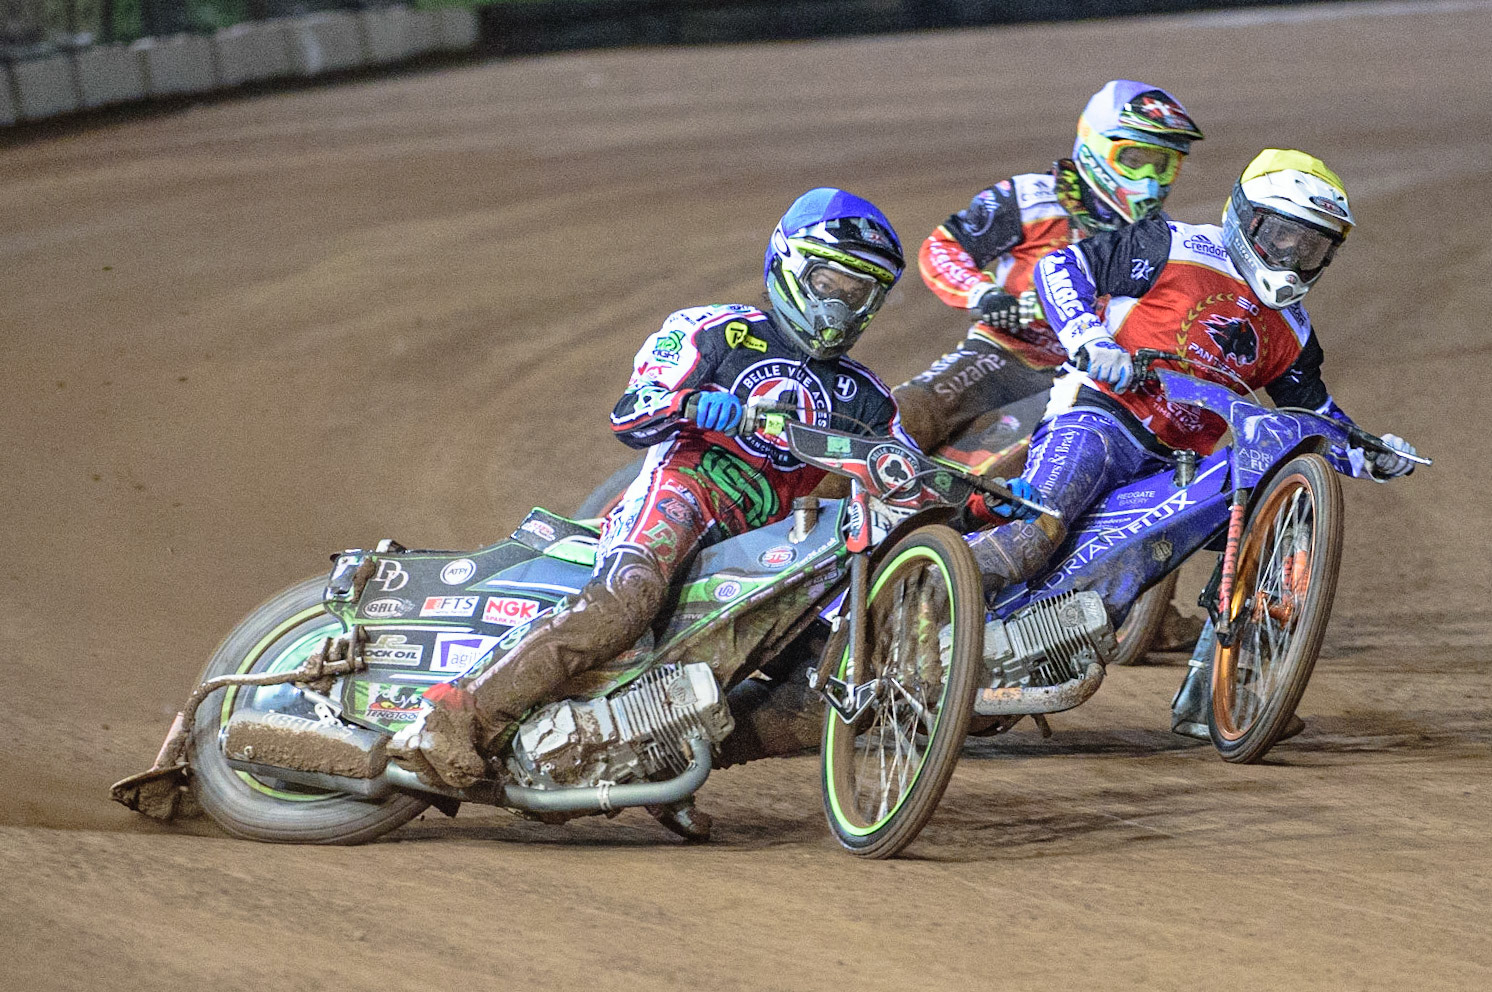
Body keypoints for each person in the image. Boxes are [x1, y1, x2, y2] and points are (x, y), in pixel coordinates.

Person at [390, 187, 915, 789]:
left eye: (860, 293)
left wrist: (974, 500)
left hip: (766, 550)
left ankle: (656, 757)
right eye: (830, 284)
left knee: (833, 687)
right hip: (681, 494)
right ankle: (452, 716)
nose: (842, 307)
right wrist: (690, 404)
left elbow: (906, 473)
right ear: (791, 265)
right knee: (630, 597)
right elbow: (630, 414)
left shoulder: (866, 397)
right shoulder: (715, 331)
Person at [956, 149, 1419, 739]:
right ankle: (911, 603)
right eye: (1282, 237)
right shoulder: (1172, 244)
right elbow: (1060, 268)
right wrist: (1091, 340)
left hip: (1178, 463)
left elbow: (1313, 415)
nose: (1292, 258)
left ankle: (1214, 692)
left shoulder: (1294, 330)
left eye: (1312, 247)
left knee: (1251, 528)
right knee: (1034, 533)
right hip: (1100, 415)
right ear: (1246, 218)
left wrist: (1370, 454)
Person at [894, 78, 1204, 453]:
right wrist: (984, 295)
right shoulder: (1032, 198)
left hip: (1083, 379)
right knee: (910, 412)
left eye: (1163, 165)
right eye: (1135, 161)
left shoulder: (1162, 243)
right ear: (1095, 147)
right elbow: (944, 247)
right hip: (1004, 352)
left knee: (1025, 467)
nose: (1150, 180)